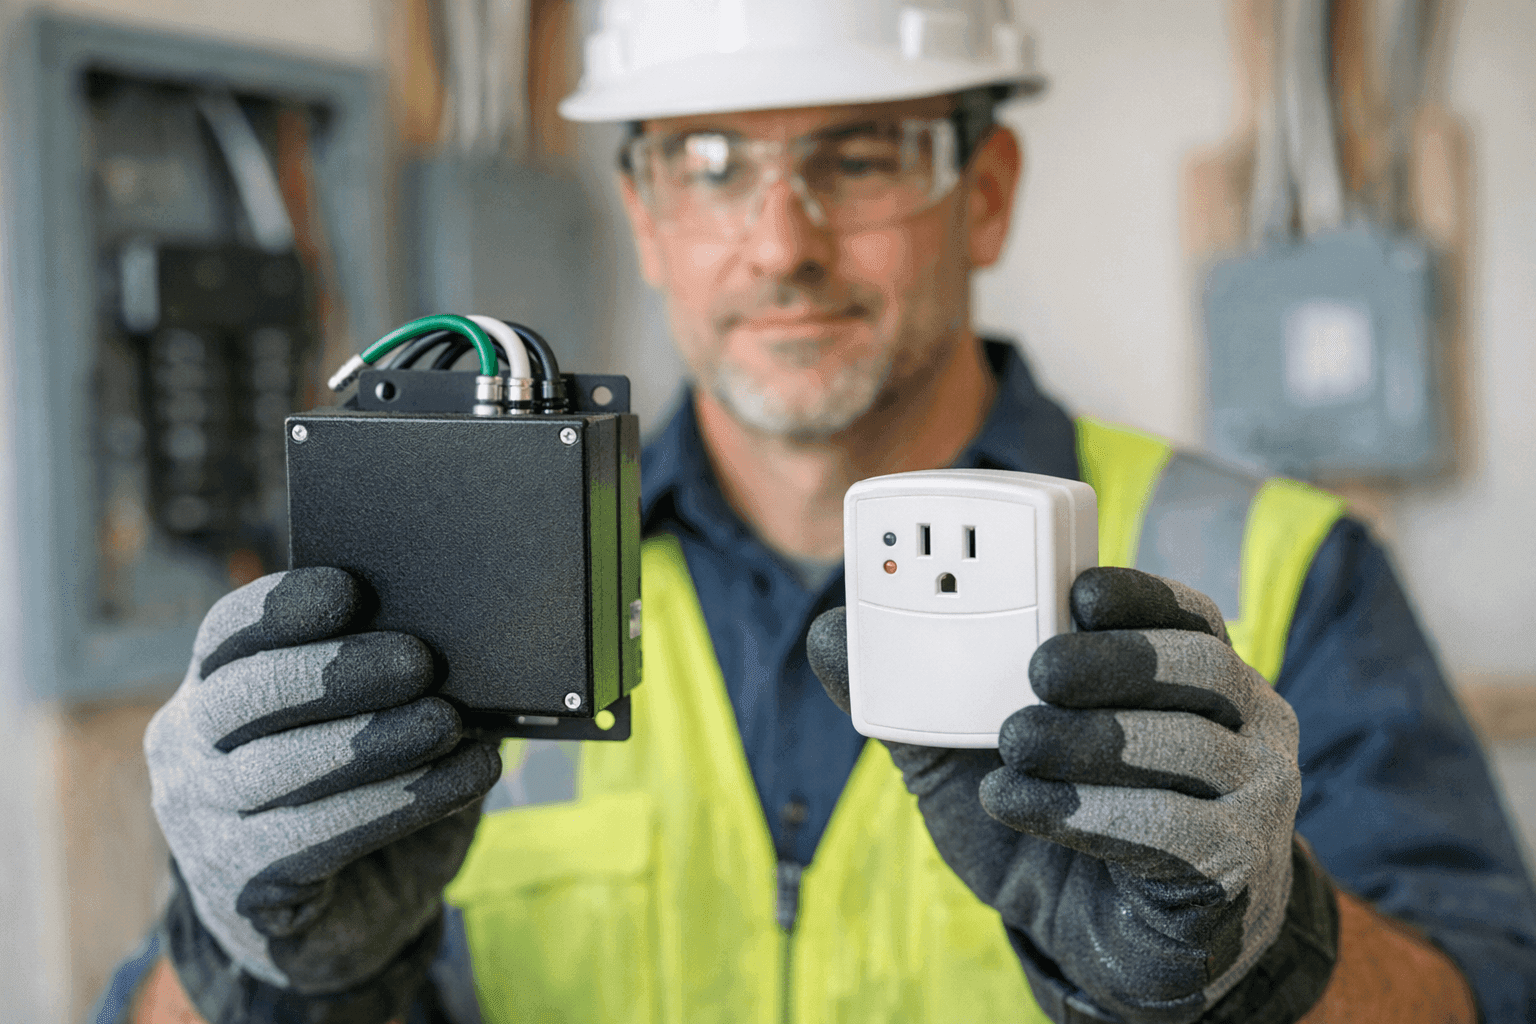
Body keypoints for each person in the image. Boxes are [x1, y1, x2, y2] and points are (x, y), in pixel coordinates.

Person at [101, 1, 1536, 1022]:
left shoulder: (1282, 565)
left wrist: (1266, 964)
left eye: (859, 157)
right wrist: (256, 967)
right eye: (711, 164)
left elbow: (1486, 994)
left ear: (987, 193)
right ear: (648, 216)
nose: (782, 243)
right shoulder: (437, 585)